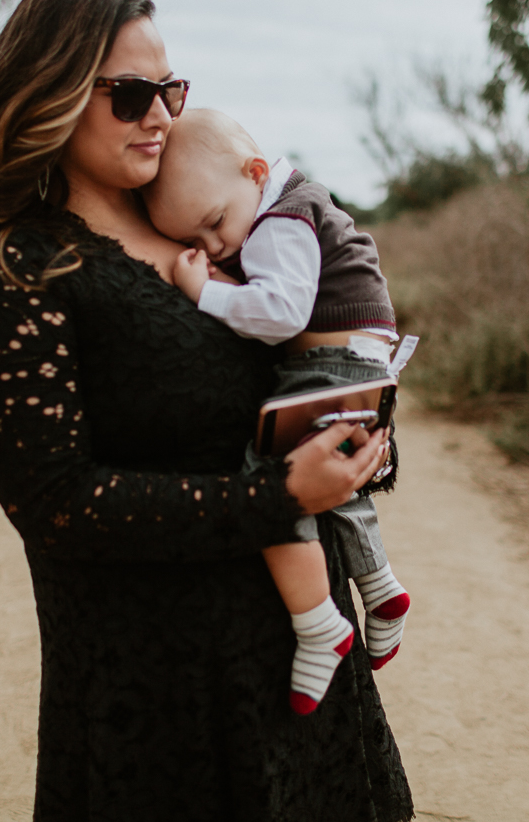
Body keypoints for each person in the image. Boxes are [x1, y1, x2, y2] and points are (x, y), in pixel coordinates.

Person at [0, 0, 414, 822]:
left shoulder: (218, 235)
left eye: (171, 89)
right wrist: (278, 495)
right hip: (154, 689)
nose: (162, 115)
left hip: (303, 669)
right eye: (132, 94)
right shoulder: (17, 272)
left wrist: (361, 446)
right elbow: (56, 504)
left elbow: (302, 378)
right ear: (56, 95)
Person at [142, 110, 414, 715]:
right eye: (197, 242)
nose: (216, 246)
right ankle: (380, 586)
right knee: (335, 479)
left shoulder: (278, 222)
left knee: (270, 475)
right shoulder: (275, 206)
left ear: (256, 172)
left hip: (336, 361)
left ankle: (317, 621)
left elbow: (284, 313)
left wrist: (204, 290)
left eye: (215, 224)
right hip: (356, 360)